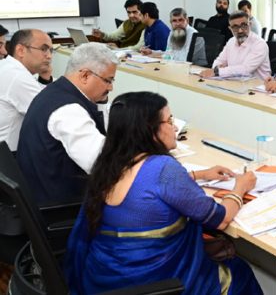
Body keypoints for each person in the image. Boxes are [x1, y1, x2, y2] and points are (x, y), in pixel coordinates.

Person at [63, 91, 263, 294]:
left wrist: (199, 174)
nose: (175, 127)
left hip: (104, 281)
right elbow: (220, 219)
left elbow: (144, 187)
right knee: (238, 272)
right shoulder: (163, 168)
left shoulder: (109, 164)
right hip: (152, 283)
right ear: (151, 131)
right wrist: (240, 187)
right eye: (169, 121)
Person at [16, 43, 117, 208]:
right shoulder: (69, 111)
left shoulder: (55, 92)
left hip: (42, 191)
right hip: (61, 206)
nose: (111, 87)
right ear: (84, 75)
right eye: (108, 80)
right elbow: (102, 164)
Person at [0, 29, 54, 152]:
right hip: (9, 161)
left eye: (51, 50)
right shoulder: (17, 77)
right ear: (20, 50)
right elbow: (51, 113)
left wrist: (44, 79)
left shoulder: (6, 66)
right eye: (43, 49)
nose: (49, 56)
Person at [200, 11, 270, 80]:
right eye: (235, 27)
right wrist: (216, 68)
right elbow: (219, 61)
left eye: (243, 25)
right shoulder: (231, 41)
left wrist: (218, 71)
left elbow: (246, 69)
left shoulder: (260, 44)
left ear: (250, 25)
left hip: (259, 87)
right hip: (235, 84)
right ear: (230, 29)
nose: (240, 31)